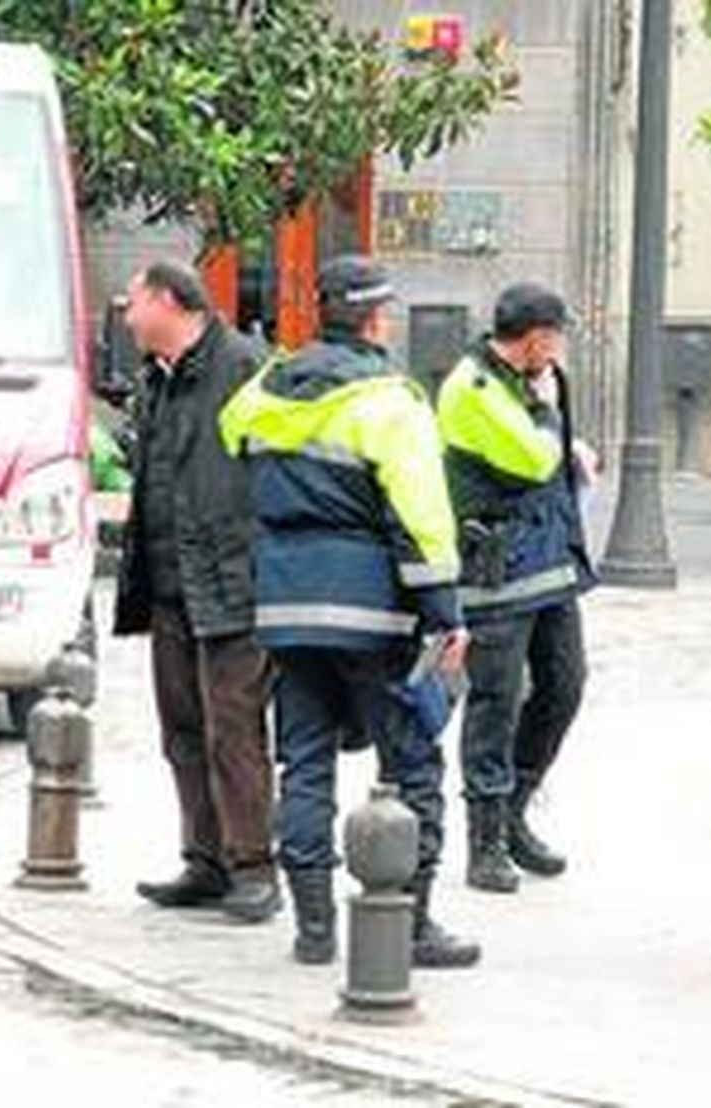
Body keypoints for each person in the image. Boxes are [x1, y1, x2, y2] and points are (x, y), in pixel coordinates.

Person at [219, 256, 479, 968]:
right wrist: (445, 612)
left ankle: (312, 930)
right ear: (373, 317)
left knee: (303, 760)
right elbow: (422, 517)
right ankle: (411, 923)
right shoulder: (392, 401)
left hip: (287, 606)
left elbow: (231, 436)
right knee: (412, 760)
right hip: (374, 612)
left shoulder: (266, 387)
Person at [113, 261, 280, 923]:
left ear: (166, 302)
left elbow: (275, 470)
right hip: (170, 584)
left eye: (133, 303)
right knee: (181, 728)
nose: (125, 317)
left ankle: (254, 865)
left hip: (233, 582)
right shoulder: (157, 377)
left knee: (233, 729)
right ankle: (204, 859)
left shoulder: (244, 365)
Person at [436, 283, 596, 895]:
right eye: (555, 337)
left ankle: (516, 806)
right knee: (494, 704)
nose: (558, 350)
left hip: (549, 563)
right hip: (497, 573)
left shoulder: (530, 379)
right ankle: (486, 840)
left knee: (564, 684)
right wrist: (552, 415)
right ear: (534, 337)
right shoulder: (471, 387)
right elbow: (532, 460)